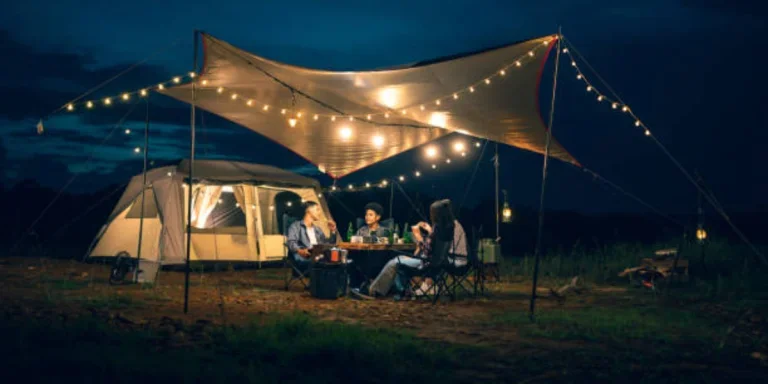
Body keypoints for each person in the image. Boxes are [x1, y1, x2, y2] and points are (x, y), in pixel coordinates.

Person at [351, 199, 466, 299]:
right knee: (399, 258)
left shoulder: (441, 228)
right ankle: (395, 288)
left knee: (395, 261)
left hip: (437, 261)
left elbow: (428, 250)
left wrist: (418, 237)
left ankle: (373, 291)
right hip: (449, 259)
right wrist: (430, 233)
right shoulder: (453, 225)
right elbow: (437, 247)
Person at [286, 201, 338, 272]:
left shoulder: (317, 229)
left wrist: (332, 231)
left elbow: (328, 244)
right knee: (327, 265)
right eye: (317, 209)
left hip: (319, 257)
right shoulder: (295, 226)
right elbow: (291, 242)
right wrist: (300, 250)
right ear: (309, 210)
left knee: (340, 261)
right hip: (305, 258)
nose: (319, 213)